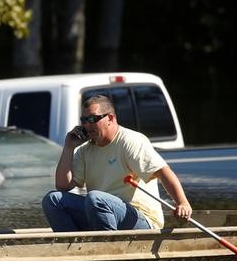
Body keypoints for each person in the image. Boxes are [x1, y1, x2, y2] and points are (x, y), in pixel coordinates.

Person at [42, 94, 192, 231]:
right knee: (53, 200)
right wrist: (68, 147)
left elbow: (163, 172)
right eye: (84, 120)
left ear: (111, 118)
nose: (88, 125)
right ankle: (75, 252)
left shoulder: (130, 141)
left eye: (93, 119)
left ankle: (107, 252)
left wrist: (183, 203)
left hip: (142, 220)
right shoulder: (85, 151)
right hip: (100, 212)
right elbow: (63, 186)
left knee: (95, 199)